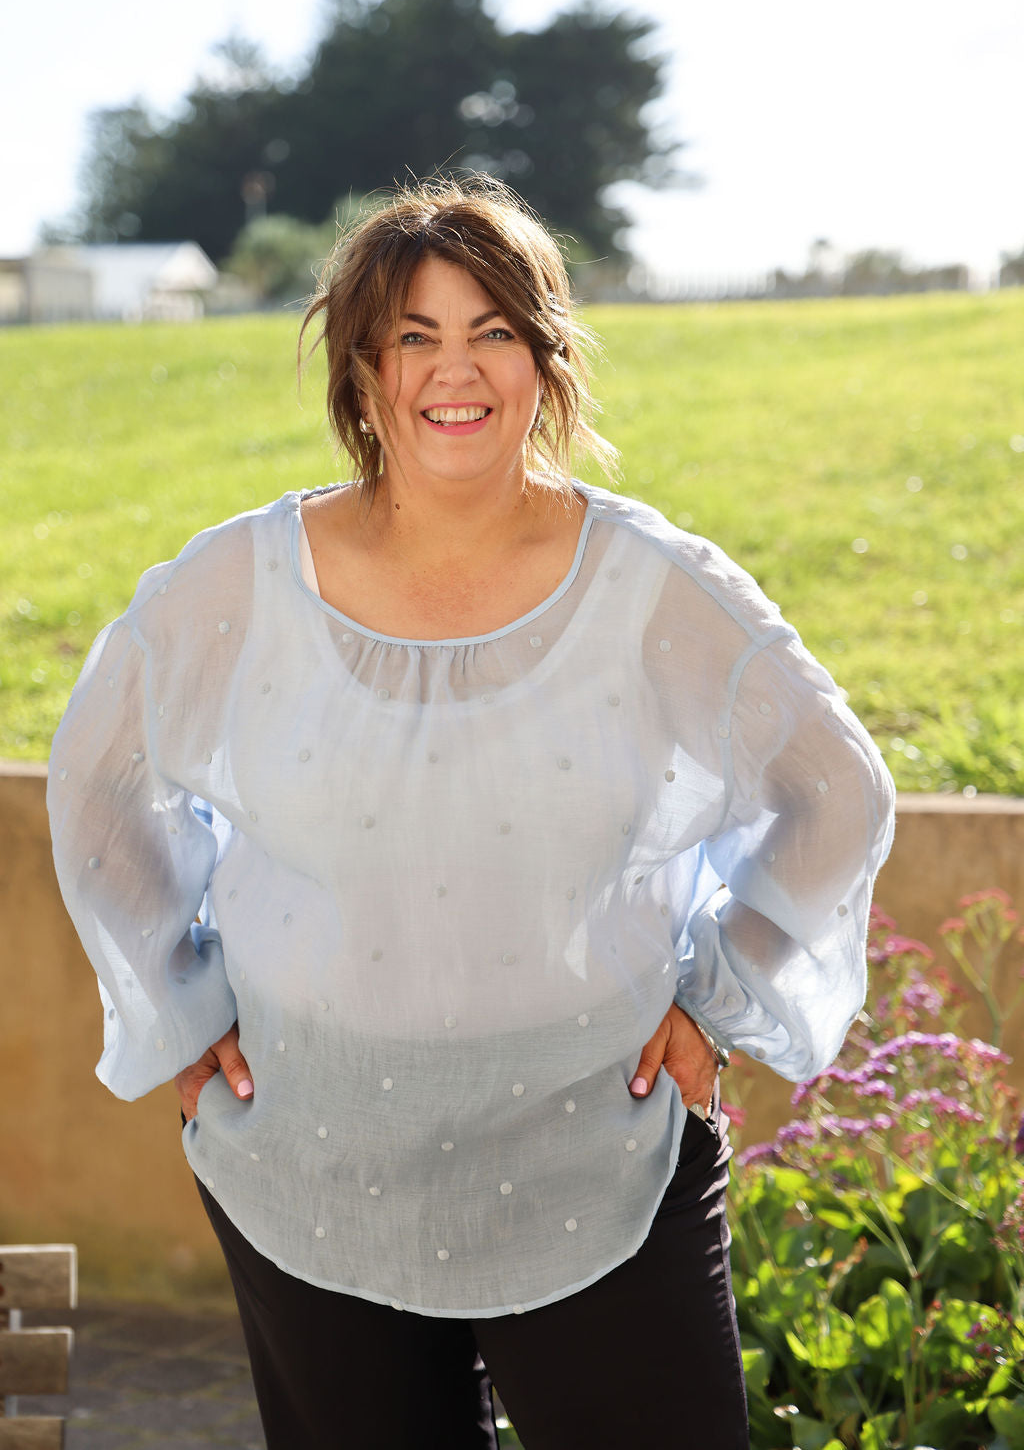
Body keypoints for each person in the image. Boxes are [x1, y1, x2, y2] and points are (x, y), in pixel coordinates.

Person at [48, 176, 895, 1450]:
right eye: (414, 335)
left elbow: (838, 792)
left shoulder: (654, 586)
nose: (456, 369)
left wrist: (718, 998)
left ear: (544, 359)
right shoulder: (238, 583)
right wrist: (182, 1013)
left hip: (599, 1158)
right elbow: (98, 783)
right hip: (309, 1161)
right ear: (362, 370)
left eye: (493, 330)